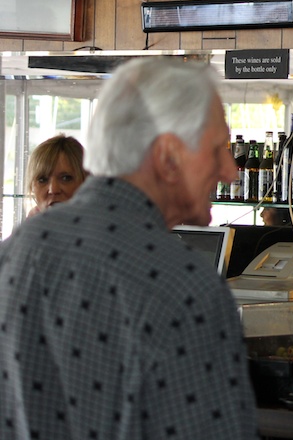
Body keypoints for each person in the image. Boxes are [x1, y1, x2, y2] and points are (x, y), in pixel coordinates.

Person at [0, 58, 258, 439]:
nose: (231, 170)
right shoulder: (186, 286)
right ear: (168, 156)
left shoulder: (14, 254)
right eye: (219, 147)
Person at [26, 133, 88, 216]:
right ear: (32, 186)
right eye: (42, 180)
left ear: (86, 182)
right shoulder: (30, 224)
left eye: (66, 178)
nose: (53, 190)